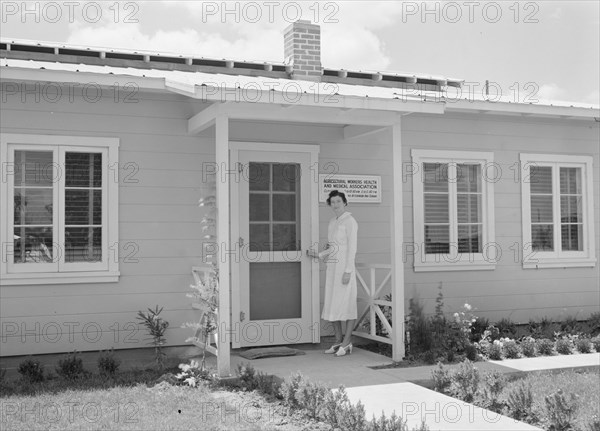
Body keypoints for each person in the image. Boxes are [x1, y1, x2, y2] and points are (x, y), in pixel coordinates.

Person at [308, 190, 358, 357]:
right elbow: (332, 246)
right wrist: (320, 255)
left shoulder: (350, 221)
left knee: (348, 303)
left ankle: (347, 341)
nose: (335, 204)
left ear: (345, 203)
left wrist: (348, 271)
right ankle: (337, 341)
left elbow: (352, 248)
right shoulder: (332, 222)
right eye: (333, 202)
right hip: (333, 268)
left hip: (345, 267)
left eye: (338, 201)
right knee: (332, 303)